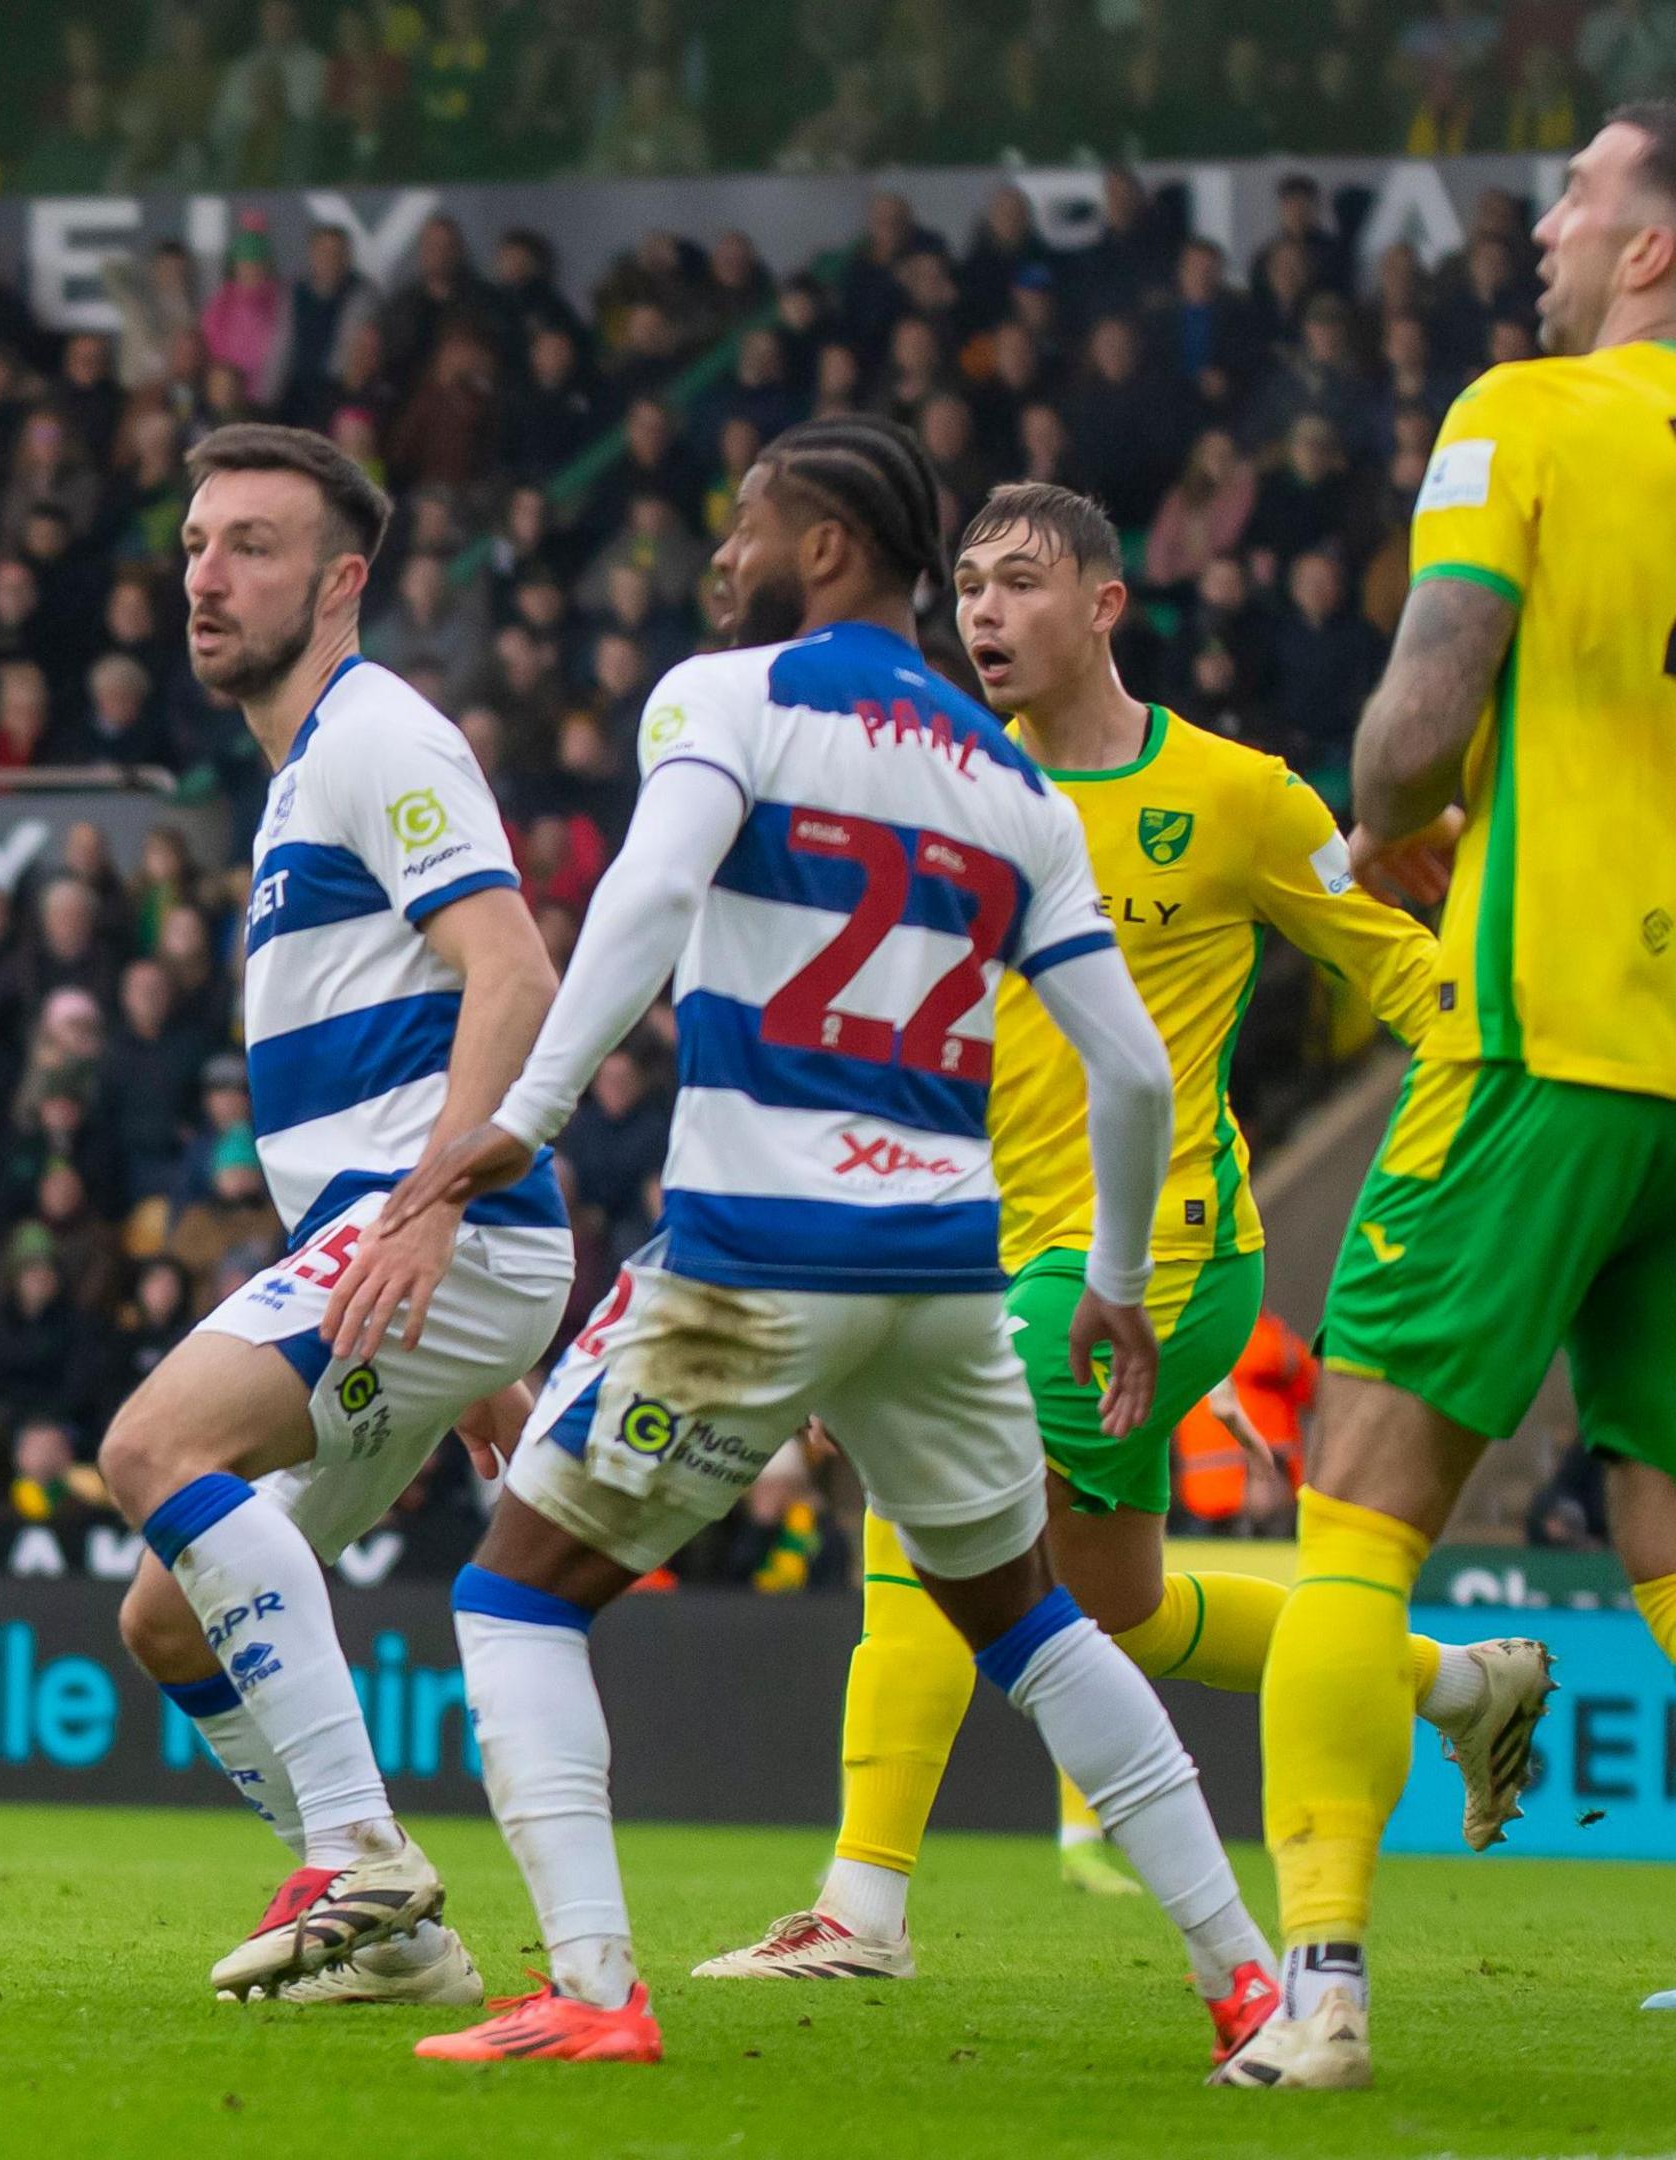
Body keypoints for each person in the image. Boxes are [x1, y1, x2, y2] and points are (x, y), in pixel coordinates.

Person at [385, 417, 1277, 2070]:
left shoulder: (722, 697)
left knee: (514, 1600)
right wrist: (1112, 1287)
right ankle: (1250, 1981)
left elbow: (649, 898)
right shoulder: (1011, 778)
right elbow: (1138, 1066)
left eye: (744, 525)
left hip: (759, 1249)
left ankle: (591, 1988)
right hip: (948, 1270)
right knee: (1031, 1621)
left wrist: (532, 1110)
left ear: (823, 548)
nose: (719, 556)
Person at [696, 483, 1552, 1975]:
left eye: (1020, 583)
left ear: (1104, 605)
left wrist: (1499, 1103)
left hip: (1164, 1259)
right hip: (982, 1246)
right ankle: (1460, 1685)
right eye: (966, 586)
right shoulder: (943, 786)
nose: (981, 614)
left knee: (912, 1504)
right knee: (1126, 1611)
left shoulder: (1239, 797)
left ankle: (863, 1907)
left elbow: (1405, 974)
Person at [1220, 110, 1676, 2088]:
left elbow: (1419, 707)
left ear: (1653, 249)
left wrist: (1389, 820)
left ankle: (1317, 1988)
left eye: (1582, 195)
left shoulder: (1530, 414)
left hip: (1539, 1026)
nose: (1548, 224)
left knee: (1360, 1501)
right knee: (1665, 1521)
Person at [93, 423, 568, 2010]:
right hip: (403, 1266)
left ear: (343, 580)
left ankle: (360, 1850)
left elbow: (516, 973)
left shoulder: (380, 737)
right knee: (168, 1620)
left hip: (425, 1234)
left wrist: (437, 1220)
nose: (208, 579)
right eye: (195, 548)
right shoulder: (304, 769)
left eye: (252, 547)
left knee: (152, 1449)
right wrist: (470, 1353)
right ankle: (411, 1947)